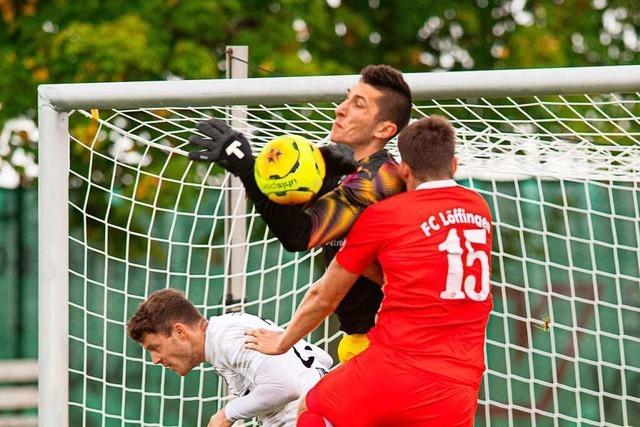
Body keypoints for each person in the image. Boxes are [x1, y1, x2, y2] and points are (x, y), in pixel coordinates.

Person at [245, 116, 494, 426]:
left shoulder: (384, 216)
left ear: (404, 170)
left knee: (313, 408)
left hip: (396, 367)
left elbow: (325, 296)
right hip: (460, 384)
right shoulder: (478, 209)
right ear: (454, 165)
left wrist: (282, 342)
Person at [188, 64, 412, 362]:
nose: (340, 110)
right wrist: (250, 167)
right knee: (307, 407)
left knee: (309, 408)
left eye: (358, 104)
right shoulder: (338, 167)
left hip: (390, 344)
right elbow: (291, 225)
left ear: (384, 129)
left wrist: (248, 169)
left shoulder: (381, 179)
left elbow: (300, 235)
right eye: (347, 98)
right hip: (363, 342)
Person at [126, 288, 332, 427]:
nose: (155, 359)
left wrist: (227, 414)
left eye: (155, 347)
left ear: (180, 332)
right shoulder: (226, 332)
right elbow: (322, 359)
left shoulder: (226, 337)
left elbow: (285, 387)